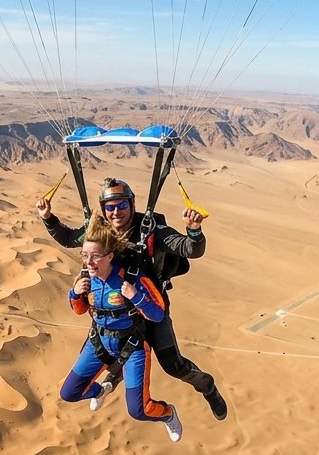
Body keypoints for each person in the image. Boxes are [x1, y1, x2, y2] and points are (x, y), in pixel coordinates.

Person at [38, 177, 228, 420]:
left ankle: (207, 387)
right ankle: (108, 383)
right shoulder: (98, 230)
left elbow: (190, 249)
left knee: (173, 365)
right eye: (110, 206)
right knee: (103, 348)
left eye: (121, 205)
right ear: (103, 208)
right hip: (114, 310)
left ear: (131, 204)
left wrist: (193, 231)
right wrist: (48, 218)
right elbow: (70, 238)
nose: (116, 212)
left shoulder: (151, 230)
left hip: (149, 307)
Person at [58, 218, 183, 442]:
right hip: (99, 343)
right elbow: (79, 310)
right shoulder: (86, 278)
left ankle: (168, 414)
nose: (89, 262)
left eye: (95, 256)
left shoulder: (132, 277)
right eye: (85, 255)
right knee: (69, 393)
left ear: (109, 256)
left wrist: (136, 297)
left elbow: (157, 314)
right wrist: (75, 294)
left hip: (132, 345)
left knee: (139, 410)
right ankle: (102, 390)